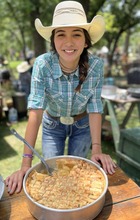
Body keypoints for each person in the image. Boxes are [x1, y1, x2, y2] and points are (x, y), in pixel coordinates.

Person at [6, 1, 116, 195]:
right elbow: (35, 112)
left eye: (76, 34)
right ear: (53, 40)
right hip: (52, 125)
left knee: (75, 174)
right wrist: (25, 164)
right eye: (61, 34)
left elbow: (95, 107)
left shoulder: (96, 66)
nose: (68, 42)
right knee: (52, 174)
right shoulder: (42, 64)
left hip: (83, 126)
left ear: (86, 41)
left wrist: (97, 149)